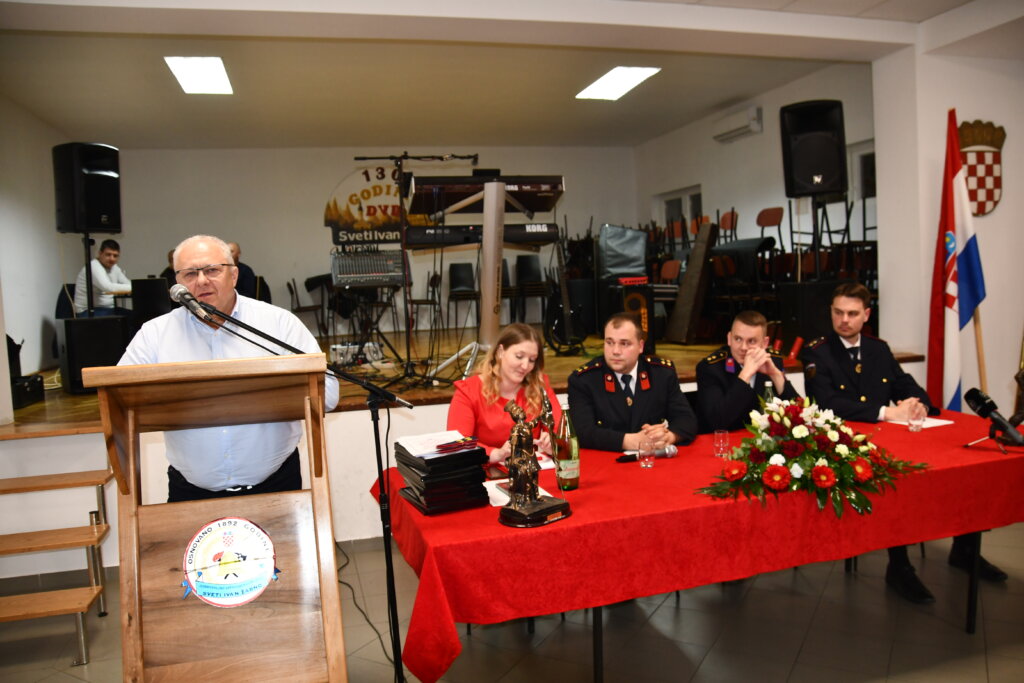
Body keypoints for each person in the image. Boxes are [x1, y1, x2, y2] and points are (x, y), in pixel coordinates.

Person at [802, 281, 1007, 603]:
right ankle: (899, 567)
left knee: (962, 470)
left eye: (853, 313)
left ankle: (965, 549)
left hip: (892, 439)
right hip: (848, 445)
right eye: (838, 312)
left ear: (866, 314)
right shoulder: (817, 351)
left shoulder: (878, 349)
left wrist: (918, 405)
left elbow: (907, 385)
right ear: (831, 312)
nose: (844, 319)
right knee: (897, 485)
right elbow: (826, 403)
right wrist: (886, 412)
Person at [118, 234, 339, 502]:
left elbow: (327, 395)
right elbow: (119, 401)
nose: (201, 281)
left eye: (211, 270)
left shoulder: (278, 324)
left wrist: (263, 394)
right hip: (190, 492)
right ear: (178, 282)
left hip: (277, 485)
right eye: (189, 274)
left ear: (233, 275)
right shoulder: (155, 333)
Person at [568, 312, 697, 452]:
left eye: (624, 344)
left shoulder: (661, 373)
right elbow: (581, 431)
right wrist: (628, 441)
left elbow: (686, 419)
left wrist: (669, 437)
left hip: (653, 463)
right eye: (609, 342)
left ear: (640, 346)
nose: (615, 351)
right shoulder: (584, 379)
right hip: (608, 464)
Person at [446, 323, 562, 465]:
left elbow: (561, 432)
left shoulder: (540, 386)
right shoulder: (469, 391)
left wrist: (553, 443)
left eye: (532, 360)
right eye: (519, 357)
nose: (525, 366)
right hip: (484, 473)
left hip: (531, 473)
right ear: (501, 352)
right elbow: (458, 443)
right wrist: (494, 454)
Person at [696, 310, 800, 431]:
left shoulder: (772, 361)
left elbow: (799, 414)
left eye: (751, 341)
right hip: (725, 442)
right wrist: (746, 374)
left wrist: (775, 375)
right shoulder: (711, 368)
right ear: (729, 339)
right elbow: (718, 422)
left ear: (765, 343)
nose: (743, 347)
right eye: (738, 339)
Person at [73, 238, 132, 315]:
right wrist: (137, 287)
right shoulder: (93, 266)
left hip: (108, 309)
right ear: (100, 254)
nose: (112, 259)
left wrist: (134, 287)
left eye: (115, 256)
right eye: (108, 254)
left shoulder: (114, 268)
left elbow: (127, 283)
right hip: (88, 311)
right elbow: (107, 287)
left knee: (138, 316)